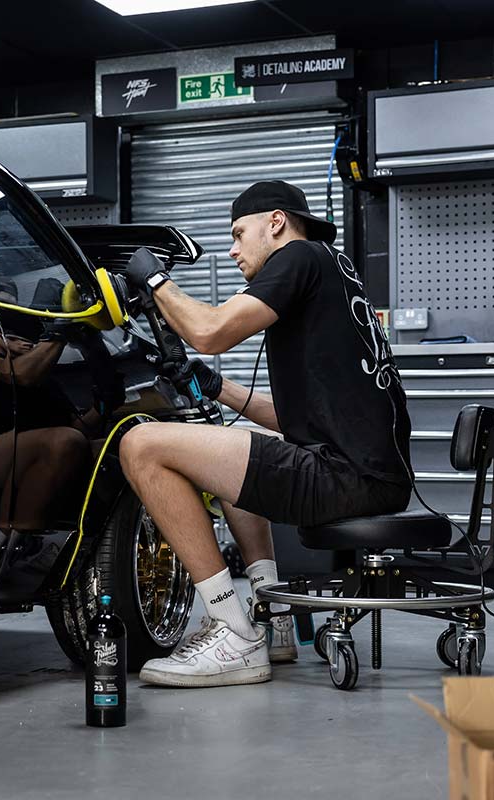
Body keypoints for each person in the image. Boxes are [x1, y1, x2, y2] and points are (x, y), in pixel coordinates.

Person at [118, 180, 413, 687]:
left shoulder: (297, 256)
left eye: (238, 234)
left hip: (346, 478)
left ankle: (234, 632)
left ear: (275, 223)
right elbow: (300, 422)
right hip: (367, 474)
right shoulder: (331, 270)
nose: (232, 250)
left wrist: (156, 280)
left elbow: (210, 331)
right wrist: (215, 386)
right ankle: (271, 616)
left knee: (141, 445)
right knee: (224, 451)